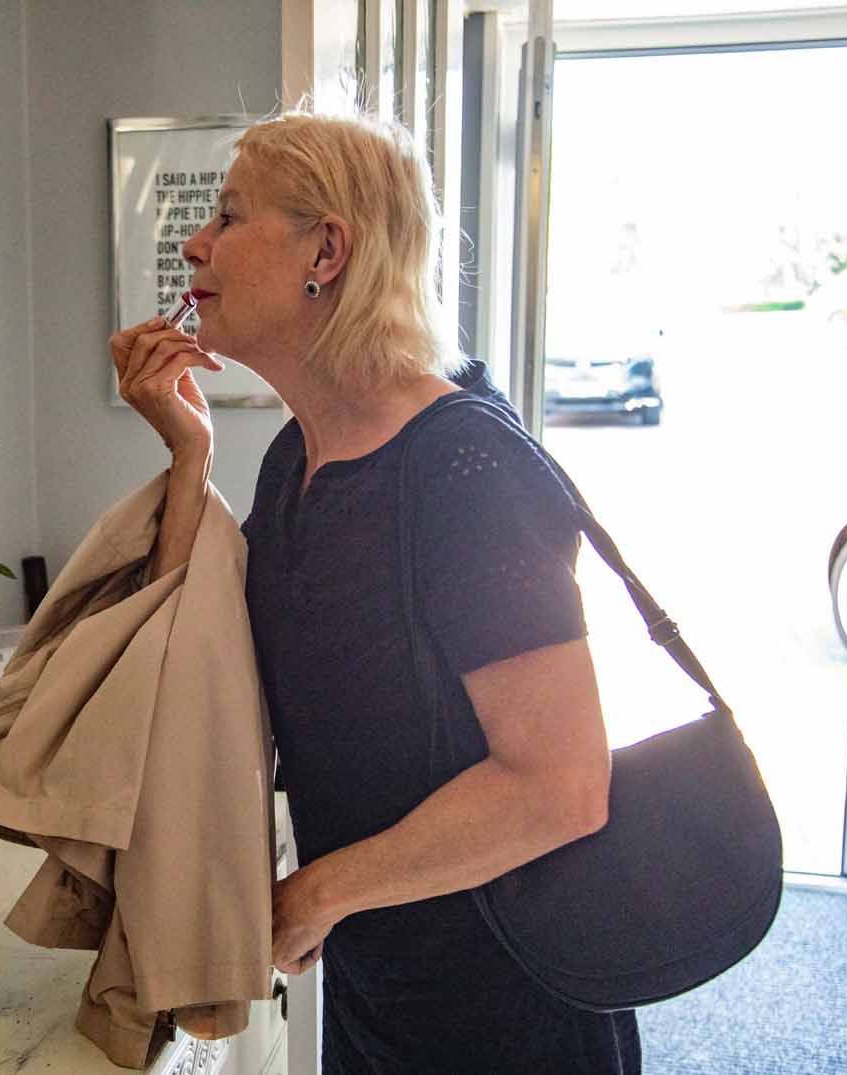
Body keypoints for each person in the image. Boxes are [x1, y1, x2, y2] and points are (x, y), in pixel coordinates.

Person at [110, 107, 640, 1074]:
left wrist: (316, 893)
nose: (195, 241)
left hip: (509, 1007)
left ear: (328, 248)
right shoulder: (290, 463)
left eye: (229, 216)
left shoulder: (464, 467)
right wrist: (188, 449)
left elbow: (561, 786)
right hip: (380, 990)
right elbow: (215, 661)